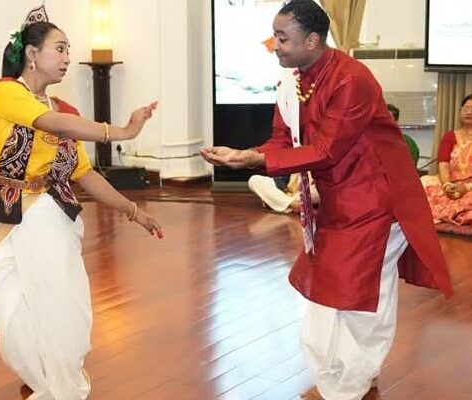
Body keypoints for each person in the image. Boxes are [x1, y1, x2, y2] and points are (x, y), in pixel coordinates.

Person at [200, 1, 453, 399]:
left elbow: (326, 150)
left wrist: (256, 159)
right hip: (339, 200)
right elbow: (282, 141)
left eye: (282, 38)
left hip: (379, 200)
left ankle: (349, 384)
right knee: (330, 287)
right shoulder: (293, 81)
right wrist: (246, 154)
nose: (274, 46)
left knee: (363, 294)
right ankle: (346, 375)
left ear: (312, 40)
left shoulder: (352, 79)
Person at [0, 6, 163, 400]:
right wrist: (123, 131)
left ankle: (59, 384)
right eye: (59, 49)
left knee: (59, 301)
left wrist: (134, 211)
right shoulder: (6, 92)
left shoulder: (64, 110)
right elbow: (51, 125)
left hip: (49, 215)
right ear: (32, 54)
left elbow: (83, 172)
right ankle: (39, 376)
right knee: (8, 305)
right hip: (6, 212)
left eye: (68, 50)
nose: (66, 58)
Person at [421, 94, 472, 225]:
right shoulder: (449, 136)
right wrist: (447, 186)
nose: (469, 112)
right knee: (423, 184)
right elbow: (443, 165)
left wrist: (467, 187)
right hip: (450, 182)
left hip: (470, 187)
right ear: (460, 111)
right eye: (466, 108)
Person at [247, 173, 319, 213]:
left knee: (315, 192)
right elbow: (281, 180)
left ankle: (277, 202)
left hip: (310, 191)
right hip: (288, 192)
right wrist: (283, 191)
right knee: (254, 180)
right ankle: (293, 204)